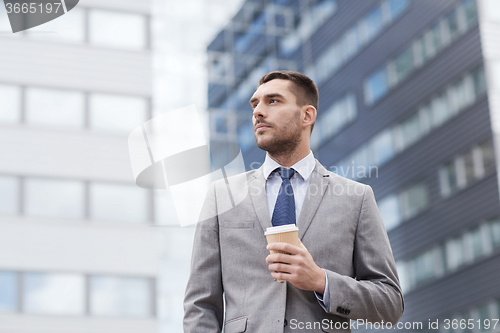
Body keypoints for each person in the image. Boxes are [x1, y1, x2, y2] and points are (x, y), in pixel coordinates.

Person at [183, 71, 404, 333]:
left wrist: (321, 281)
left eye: (273, 101)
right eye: (255, 104)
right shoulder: (222, 195)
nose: (258, 112)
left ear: (307, 115)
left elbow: (390, 304)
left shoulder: (356, 197)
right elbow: (200, 305)